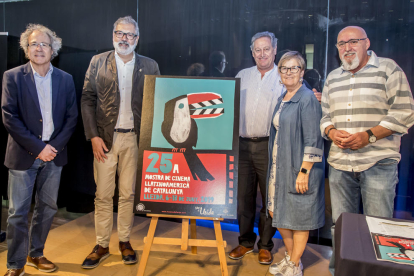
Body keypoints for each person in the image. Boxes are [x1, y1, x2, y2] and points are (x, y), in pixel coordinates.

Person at [320, 26, 414, 275]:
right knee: (339, 228)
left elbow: (405, 113)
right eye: (341, 44)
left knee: (379, 229)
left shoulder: (388, 69)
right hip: (340, 164)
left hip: (378, 163)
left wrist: (368, 136)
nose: (347, 48)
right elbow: (325, 117)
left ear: (366, 43)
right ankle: (339, 271)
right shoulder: (332, 77)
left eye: (353, 42)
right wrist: (331, 132)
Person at [80, 16, 160, 269]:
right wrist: (93, 136)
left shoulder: (150, 65)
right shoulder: (97, 62)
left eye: (129, 35)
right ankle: (102, 244)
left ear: (137, 38)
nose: (124, 38)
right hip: (104, 138)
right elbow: (87, 99)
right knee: (103, 195)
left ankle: (125, 241)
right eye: (119, 33)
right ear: (113, 35)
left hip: (135, 140)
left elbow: (158, 104)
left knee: (128, 194)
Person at [1, 24, 78, 276]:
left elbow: (71, 118)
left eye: (44, 44)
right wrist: (39, 148)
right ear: (26, 49)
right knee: (17, 214)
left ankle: (36, 254)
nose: (39, 48)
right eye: (34, 44)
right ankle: (15, 264)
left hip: (54, 157)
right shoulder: (12, 77)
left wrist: (52, 148)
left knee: (47, 209)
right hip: (23, 156)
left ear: (53, 49)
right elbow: (9, 117)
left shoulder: (65, 79)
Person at [267, 51, 325, 276]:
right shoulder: (283, 97)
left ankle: (294, 265)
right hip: (279, 168)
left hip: (299, 169)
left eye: (294, 68)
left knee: (299, 219)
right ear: (279, 72)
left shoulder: (307, 98)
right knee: (279, 213)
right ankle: (293, 260)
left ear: (302, 72)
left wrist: (304, 172)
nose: (288, 72)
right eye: (284, 68)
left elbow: (314, 139)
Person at [228, 31, 282, 265]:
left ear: (275, 50)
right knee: (243, 197)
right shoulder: (242, 75)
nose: (262, 54)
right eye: (257, 50)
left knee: (269, 197)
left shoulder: (284, 76)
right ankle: (245, 241)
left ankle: (266, 245)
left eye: (266, 49)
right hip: (241, 145)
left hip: (269, 146)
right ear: (252, 53)